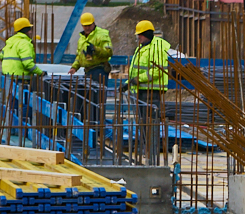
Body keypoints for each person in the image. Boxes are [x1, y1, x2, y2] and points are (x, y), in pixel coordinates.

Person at [122, 19, 173, 160]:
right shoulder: (142, 47)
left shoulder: (156, 48)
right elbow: (136, 71)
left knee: (151, 122)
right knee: (144, 122)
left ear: (147, 34)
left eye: (141, 35)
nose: (138, 37)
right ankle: (147, 149)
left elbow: (156, 71)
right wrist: (128, 83)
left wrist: (136, 80)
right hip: (142, 90)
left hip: (152, 91)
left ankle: (152, 151)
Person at [70, 13, 114, 142]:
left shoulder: (101, 34)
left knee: (97, 102)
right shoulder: (82, 38)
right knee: (86, 101)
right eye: (85, 26)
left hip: (99, 70)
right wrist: (74, 67)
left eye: (89, 25)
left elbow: (109, 51)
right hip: (88, 72)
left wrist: (95, 49)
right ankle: (87, 130)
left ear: (94, 23)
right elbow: (80, 56)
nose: (87, 28)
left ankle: (97, 131)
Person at [0, 16, 41, 141]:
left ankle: (11, 128)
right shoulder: (24, 43)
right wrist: (40, 72)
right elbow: (27, 63)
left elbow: (1, 55)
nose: (31, 32)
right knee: (24, 106)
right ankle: (22, 132)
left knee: (12, 104)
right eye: (30, 29)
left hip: (9, 77)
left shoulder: (10, 41)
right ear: (26, 30)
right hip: (21, 78)